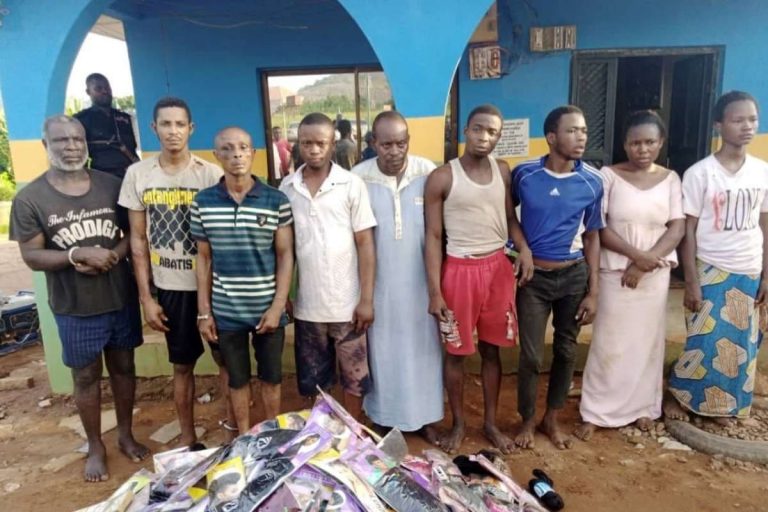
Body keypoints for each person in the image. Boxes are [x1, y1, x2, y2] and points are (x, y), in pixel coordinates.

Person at [10, 115, 148, 482]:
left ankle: (125, 435)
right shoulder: (30, 198)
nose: (71, 146)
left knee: (124, 368)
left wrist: (113, 256)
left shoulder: (111, 185)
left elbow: (133, 235)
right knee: (86, 376)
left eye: (77, 139)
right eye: (61, 140)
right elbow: (32, 256)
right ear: (46, 145)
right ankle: (95, 445)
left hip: (119, 298)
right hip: (75, 306)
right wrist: (76, 255)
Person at [425, 104, 532, 454]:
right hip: (460, 271)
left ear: (498, 137)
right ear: (465, 131)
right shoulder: (443, 177)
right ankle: (458, 423)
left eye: (492, 132)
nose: (484, 137)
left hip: (498, 268)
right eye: (479, 129)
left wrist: (524, 249)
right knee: (455, 352)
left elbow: (509, 218)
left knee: (492, 349)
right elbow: (433, 237)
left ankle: (490, 423)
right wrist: (435, 291)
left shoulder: (503, 171)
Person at [119, 97, 223, 447]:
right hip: (171, 287)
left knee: (227, 363)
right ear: (154, 128)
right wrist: (146, 298)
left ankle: (232, 435)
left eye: (180, 124)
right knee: (182, 365)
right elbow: (137, 240)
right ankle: (188, 439)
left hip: (213, 285)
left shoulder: (210, 174)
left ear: (191, 129)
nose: (173, 131)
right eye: (166, 124)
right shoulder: (139, 175)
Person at [575, 111, 685, 441]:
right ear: (625, 144)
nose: (642, 149)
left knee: (646, 342)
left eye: (650, 142)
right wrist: (636, 257)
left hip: (653, 275)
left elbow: (677, 227)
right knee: (609, 342)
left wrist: (646, 262)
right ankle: (595, 411)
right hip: (616, 272)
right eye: (635, 143)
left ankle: (642, 408)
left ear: (661, 143)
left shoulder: (671, 179)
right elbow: (599, 226)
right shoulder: (608, 176)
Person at [665, 91, 768, 425]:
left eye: (752, 119)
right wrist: (691, 280)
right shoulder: (701, 173)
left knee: (741, 344)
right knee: (705, 341)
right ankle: (684, 396)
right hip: (712, 267)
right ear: (719, 125)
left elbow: (765, 223)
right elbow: (688, 230)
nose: (747, 126)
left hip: (749, 268)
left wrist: (766, 275)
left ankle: (723, 405)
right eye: (738, 120)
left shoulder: (762, 171)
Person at [511, 105, 603, 450]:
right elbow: (509, 215)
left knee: (566, 350)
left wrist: (593, 291)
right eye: (572, 131)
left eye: (583, 131)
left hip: (573, 276)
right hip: (532, 279)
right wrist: (522, 249)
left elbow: (592, 236)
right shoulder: (524, 175)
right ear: (551, 137)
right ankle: (526, 419)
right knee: (531, 356)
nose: (581, 137)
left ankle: (551, 417)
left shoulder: (592, 181)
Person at [192, 126, 294, 434]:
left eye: (243, 147)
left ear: (253, 153)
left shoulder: (276, 200)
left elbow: (285, 255)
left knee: (271, 378)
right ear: (216, 155)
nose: (236, 154)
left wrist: (277, 307)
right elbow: (203, 259)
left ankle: (272, 435)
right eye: (227, 148)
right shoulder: (203, 202)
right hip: (226, 311)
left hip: (267, 309)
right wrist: (204, 312)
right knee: (236, 379)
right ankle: (245, 437)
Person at [353, 111, 443, 443]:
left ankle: (426, 416)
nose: (394, 151)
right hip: (379, 285)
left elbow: (438, 231)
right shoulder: (359, 178)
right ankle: (383, 416)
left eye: (401, 143)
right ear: (373, 142)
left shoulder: (427, 172)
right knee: (383, 350)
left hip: (421, 282)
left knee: (425, 348)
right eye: (386, 144)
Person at [280, 113, 376, 420]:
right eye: (306, 143)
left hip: (348, 306)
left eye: (321, 143)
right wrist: (286, 296)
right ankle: (322, 434)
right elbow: (285, 250)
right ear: (298, 145)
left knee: (354, 378)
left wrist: (366, 299)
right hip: (308, 306)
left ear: (333, 144)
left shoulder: (351, 185)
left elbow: (365, 243)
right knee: (315, 380)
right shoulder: (288, 188)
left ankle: (352, 434)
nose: (314, 149)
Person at [74, 73, 139, 180]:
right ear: (88, 92)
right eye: (98, 88)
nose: (105, 91)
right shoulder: (81, 120)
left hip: (131, 175)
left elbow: (132, 148)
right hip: (101, 179)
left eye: (107, 87)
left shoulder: (125, 118)